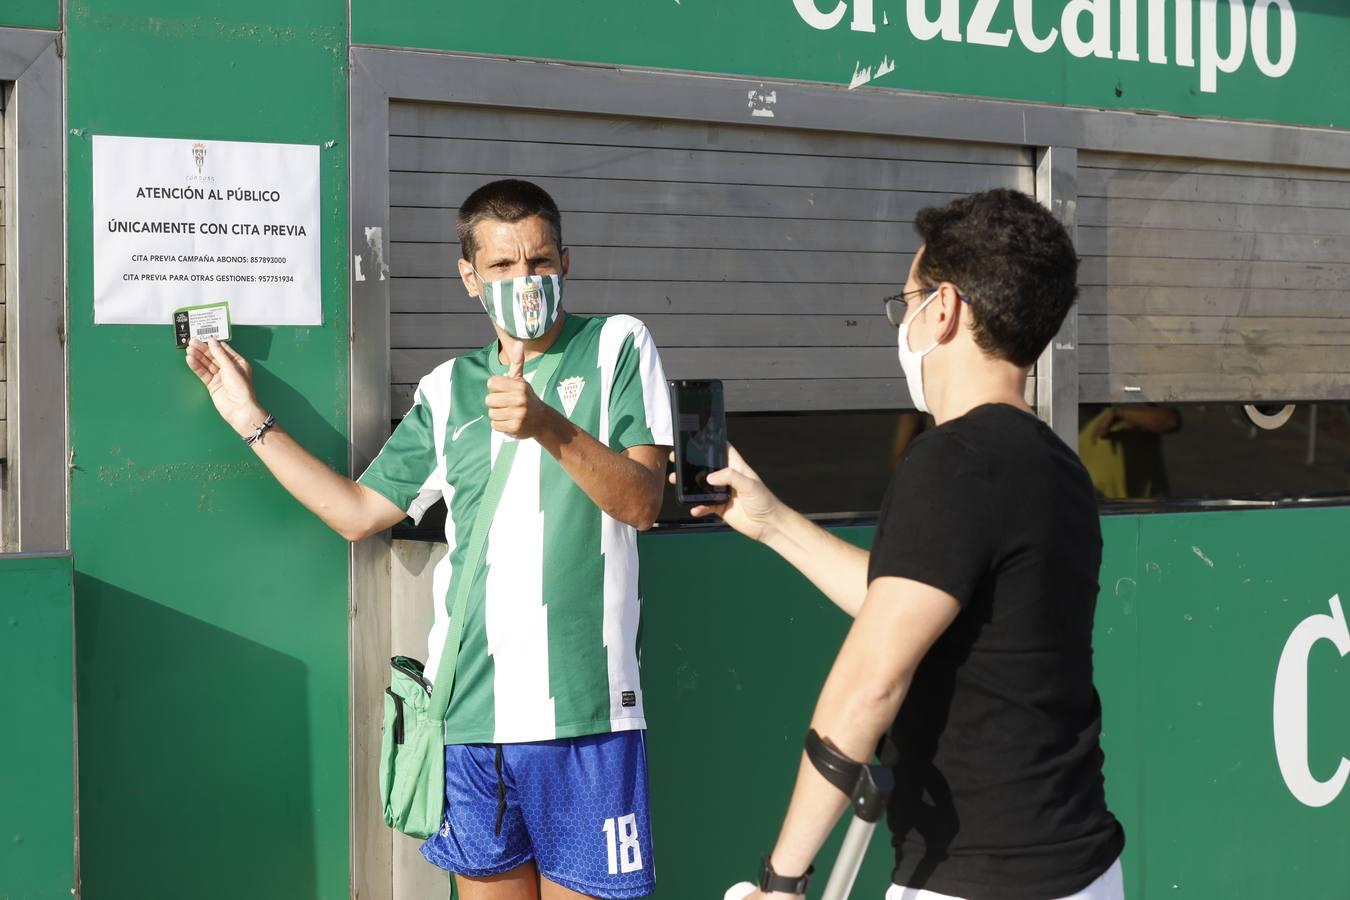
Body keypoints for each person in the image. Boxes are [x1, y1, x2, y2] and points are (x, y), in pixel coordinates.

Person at [185, 179, 672, 900]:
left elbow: (641, 502)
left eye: (539, 261)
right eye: (503, 267)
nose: (525, 280)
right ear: (468, 276)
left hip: (585, 716)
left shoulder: (616, 345)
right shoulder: (446, 390)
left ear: (565, 261)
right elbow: (356, 512)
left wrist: (547, 425)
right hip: (466, 718)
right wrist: (246, 416)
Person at [700, 189, 1125, 900]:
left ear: (946, 308)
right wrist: (772, 521)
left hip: (970, 879)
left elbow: (871, 682)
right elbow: (911, 598)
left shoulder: (951, 461)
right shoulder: (1058, 468)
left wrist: (781, 879)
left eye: (907, 304)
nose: (902, 326)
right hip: (1080, 866)